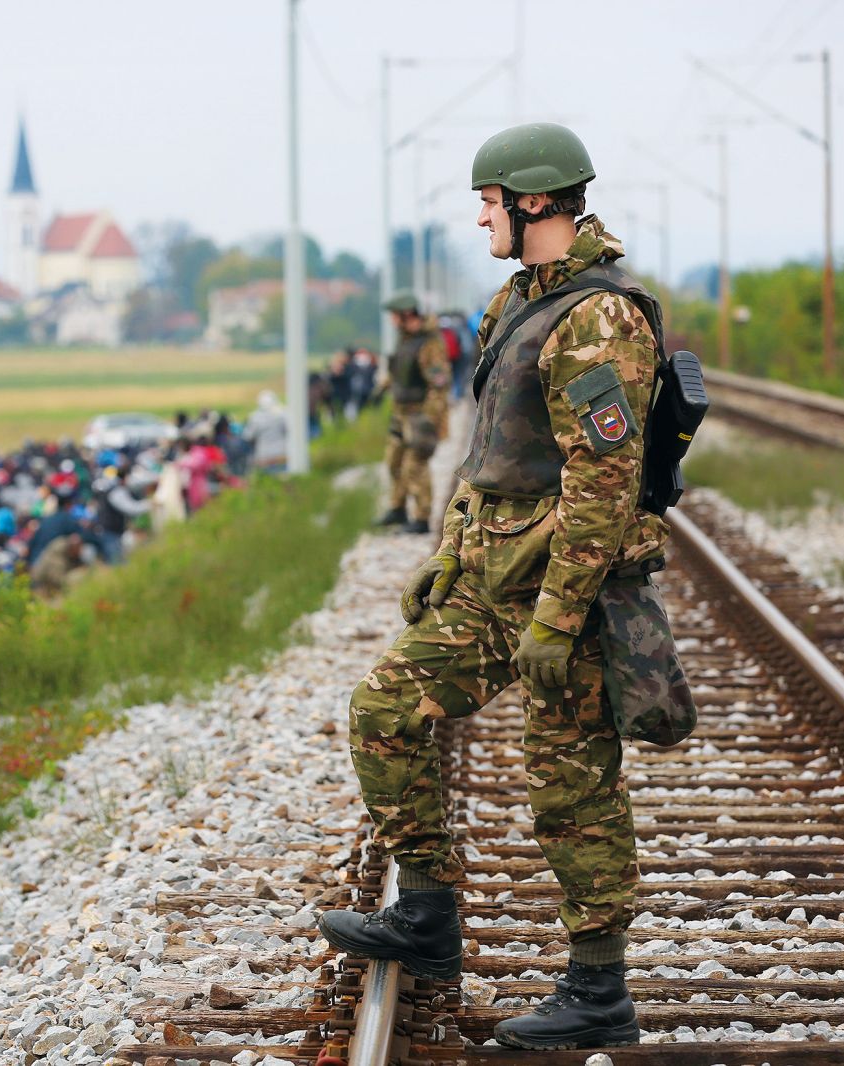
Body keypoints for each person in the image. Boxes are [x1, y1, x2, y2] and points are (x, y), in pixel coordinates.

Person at [319, 123, 667, 1050]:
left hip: (570, 593)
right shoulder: (515, 302)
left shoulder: (600, 316)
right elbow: (487, 457)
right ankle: (427, 916)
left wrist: (557, 620)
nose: (481, 217)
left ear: (536, 201)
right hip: (490, 576)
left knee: (569, 790)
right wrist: (447, 551)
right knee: (383, 709)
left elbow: (604, 483)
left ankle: (598, 990)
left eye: (489, 201)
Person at [374, 291, 450, 535]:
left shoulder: (429, 344)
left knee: (414, 466)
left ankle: (421, 518)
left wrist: (430, 419)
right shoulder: (405, 340)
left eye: (394, 316)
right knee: (394, 462)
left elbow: (439, 384)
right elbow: (399, 371)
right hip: (401, 412)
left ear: (406, 315)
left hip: (420, 415)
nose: (391, 321)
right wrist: (381, 388)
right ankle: (397, 508)